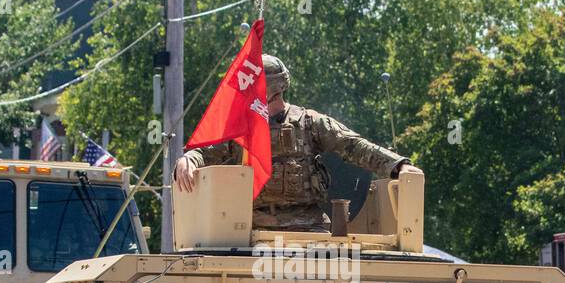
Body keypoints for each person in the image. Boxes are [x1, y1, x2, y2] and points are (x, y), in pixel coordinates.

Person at [173, 54, 422, 232]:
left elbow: (353, 146)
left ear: (268, 89)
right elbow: (206, 151)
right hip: (253, 229)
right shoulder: (242, 128)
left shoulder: (309, 122)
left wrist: (398, 166)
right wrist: (188, 159)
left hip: (308, 227)